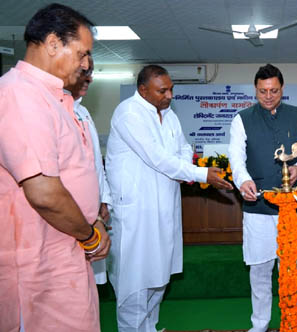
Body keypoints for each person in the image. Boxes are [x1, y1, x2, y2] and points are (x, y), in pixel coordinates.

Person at [0, 4, 109, 331]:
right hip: (39, 272)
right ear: (51, 44)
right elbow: (44, 192)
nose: (86, 63)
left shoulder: (52, 98)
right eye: (82, 53)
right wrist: (90, 236)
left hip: (64, 256)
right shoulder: (20, 95)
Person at [105, 64, 232, 332]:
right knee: (136, 283)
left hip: (164, 208)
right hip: (137, 212)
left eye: (171, 89)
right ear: (143, 90)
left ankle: (150, 328)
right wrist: (199, 174)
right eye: (162, 90)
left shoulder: (169, 115)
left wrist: (185, 166)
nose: (170, 95)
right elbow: (158, 158)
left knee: (158, 278)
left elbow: (183, 147)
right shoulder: (129, 113)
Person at [228, 64, 297, 332]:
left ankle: (293, 321)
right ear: (255, 90)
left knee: (291, 267)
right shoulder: (241, 118)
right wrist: (242, 179)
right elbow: (236, 155)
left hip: (293, 206)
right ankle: (260, 324)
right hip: (257, 206)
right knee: (259, 269)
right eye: (262, 91)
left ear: (282, 89)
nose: (268, 96)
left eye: (274, 90)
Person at [65, 56, 111, 285]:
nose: (88, 78)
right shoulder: (55, 110)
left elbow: (95, 166)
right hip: (69, 215)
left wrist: (103, 200)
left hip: (93, 211)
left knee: (87, 283)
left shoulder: (82, 112)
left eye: (90, 72)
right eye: (83, 72)